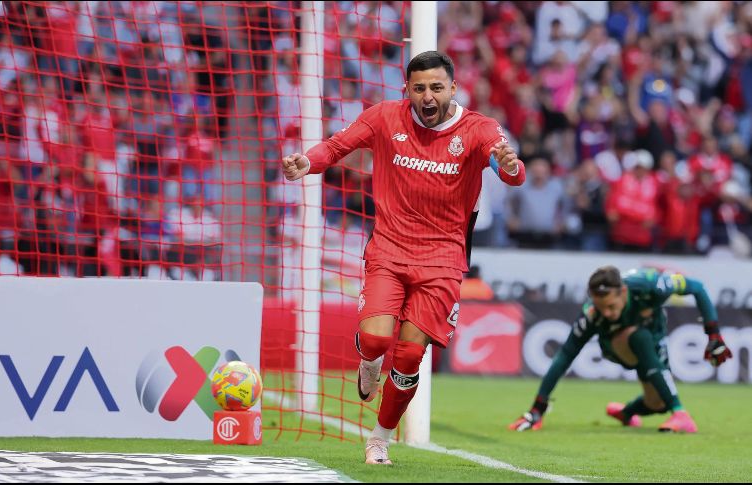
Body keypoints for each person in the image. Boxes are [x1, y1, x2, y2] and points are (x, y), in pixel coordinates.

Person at [282, 51, 526, 464]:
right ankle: (369, 362)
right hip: (390, 250)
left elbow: (509, 170)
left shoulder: (479, 128)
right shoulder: (385, 116)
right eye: (419, 88)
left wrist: (510, 165)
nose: (427, 97)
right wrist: (308, 162)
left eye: (435, 87)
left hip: (444, 258)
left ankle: (379, 437)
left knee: (411, 355)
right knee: (376, 339)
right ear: (407, 90)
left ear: (452, 88)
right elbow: (338, 145)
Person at [509, 266, 732, 434]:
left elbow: (698, 288)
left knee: (656, 403)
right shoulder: (592, 315)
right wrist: (538, 408)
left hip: (655, 337)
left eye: (611, 306)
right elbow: (565, 356)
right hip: (618, 346)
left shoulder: (652, 285)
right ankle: (681, 413)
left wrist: (714, 335)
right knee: (637, 335)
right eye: (600, 307)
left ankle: (625, 412)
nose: (606, 313)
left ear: (623, 292)